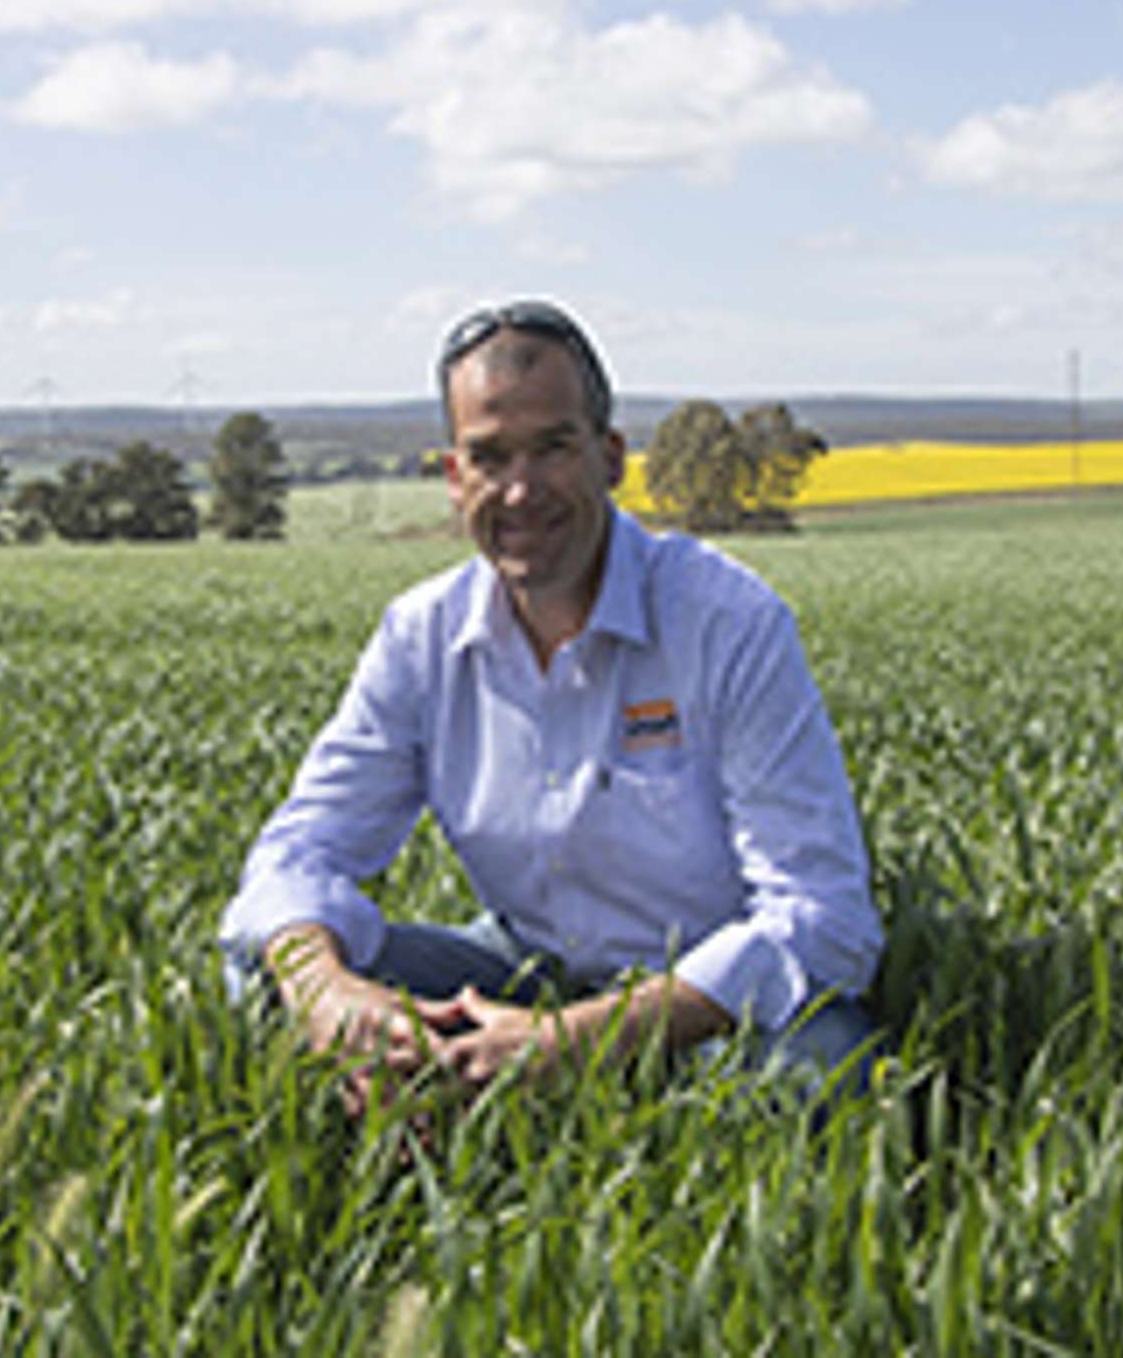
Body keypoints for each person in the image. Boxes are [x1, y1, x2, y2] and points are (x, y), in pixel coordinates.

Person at [219, 299, 884, 1108]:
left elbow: (825, 917)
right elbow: (298, 855)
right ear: (455, 478)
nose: (521, 491)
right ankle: (434, 1118)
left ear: (609, 458)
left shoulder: (727, 622)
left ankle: (537, 1101)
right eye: (490, 457)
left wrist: (581, 1040)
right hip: (521, 969)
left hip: (707, 1009)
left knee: (827, 1077)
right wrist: (331, 996)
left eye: (553, 448)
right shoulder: (422, 637)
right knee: (265, 975)